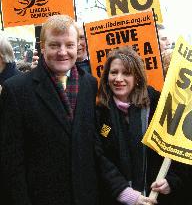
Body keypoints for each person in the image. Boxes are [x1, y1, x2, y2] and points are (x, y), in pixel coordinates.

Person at [0, 15, 99, 205]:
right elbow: (11, 161)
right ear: (43, 46)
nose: (63, 52)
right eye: (55, 45)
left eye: (69, 45)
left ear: (77, 46)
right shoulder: (16, 89)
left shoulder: (90, 84)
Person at [95, 46, 182, 205]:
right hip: (117, 198)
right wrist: (125, 193)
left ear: (137, 77)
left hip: (158, 197)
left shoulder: (158, 103)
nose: (118, 78)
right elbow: (100, 159)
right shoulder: (99, 112)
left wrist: (171, 181)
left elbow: (178, 146)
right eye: (114, 72)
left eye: (126, 73)